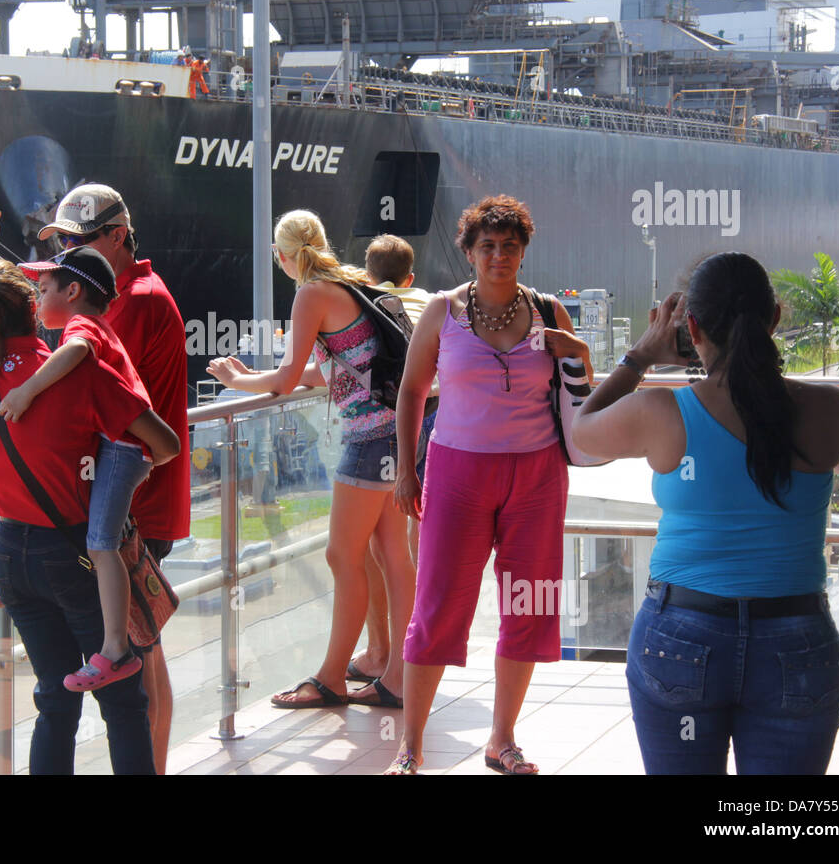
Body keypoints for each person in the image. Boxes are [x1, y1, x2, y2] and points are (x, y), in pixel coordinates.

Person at [572, 252, 839, 774]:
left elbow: (581, 432)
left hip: (683, 637)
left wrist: (640, 356)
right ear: (774, 318)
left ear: (691, 327)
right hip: (798, 643)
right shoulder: (834, 409)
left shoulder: (660, 411)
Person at [0, 257, 178, 774]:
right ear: (33, 310)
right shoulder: (78, 373)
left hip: (11, 555)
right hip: (74, 554)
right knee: (123, 701)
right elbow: (163, 442)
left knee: (54, 697)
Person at [387, 195, 592, 774]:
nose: (498, 256)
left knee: (529, 602)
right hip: (457, 472)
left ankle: (501, 740)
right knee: (437, 606)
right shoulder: (442, 312)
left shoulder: (550, 310)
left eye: (509, 245)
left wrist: (578, 350)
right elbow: (410, 392)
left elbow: (580, 390)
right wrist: (407, 468)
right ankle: (411, 746)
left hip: (537, 475)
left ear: (524, 250)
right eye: (487, 246)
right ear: (470, 252)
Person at [207, 210, 416, 710]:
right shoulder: (352, 283)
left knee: (342, 556)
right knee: (393, 555)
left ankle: (330, 679)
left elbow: (283, 378)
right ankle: (400, 675)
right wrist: (292, 374)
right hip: (400, 436)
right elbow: (337, 371)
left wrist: (236, 381)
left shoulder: (310, 293)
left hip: (369, 441)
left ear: (283, 257)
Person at [35, 185, 190, 776]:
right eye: (62, 245)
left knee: (140, 658)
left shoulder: (134, 302)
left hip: (134, 507)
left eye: (78, 243)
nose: (67, 256)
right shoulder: (131, 296)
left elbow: (79, 381)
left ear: (118, 238)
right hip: (136, 500)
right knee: (144, 649)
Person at [0, 246, 154, 691]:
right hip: (120, 444)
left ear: (74, 291)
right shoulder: (96, 323)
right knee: (99, 539)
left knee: (100, 544)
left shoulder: (83, 326)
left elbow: (76, 350)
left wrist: (26, 390)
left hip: (122, 447)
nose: (37, 301)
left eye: (43, 290)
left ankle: (116, 648)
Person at [349, 235, 438, 684]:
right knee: (416, 540)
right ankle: (415, 648)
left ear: (368, 274)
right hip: (440, 412)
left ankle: (382, 652)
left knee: (376, 544)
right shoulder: (428, 300)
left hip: (393, 418)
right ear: (411, 278)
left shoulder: (367, 301)